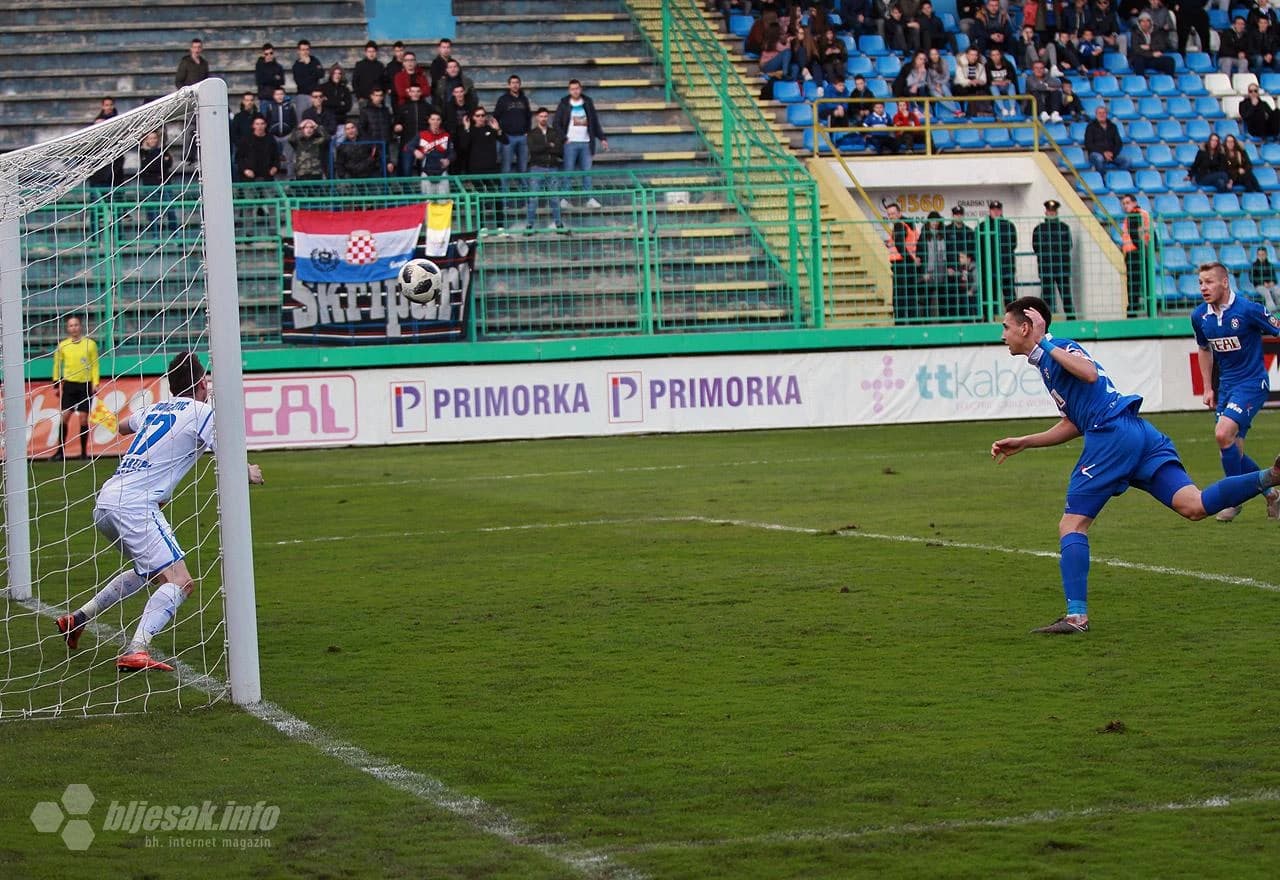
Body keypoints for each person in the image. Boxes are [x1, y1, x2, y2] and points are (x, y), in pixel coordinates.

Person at [992, 296, 1280, 634]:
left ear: (1026, 327)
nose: (1003, 334)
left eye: (1007, 327)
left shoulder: (1059, 347)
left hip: (1112, 436)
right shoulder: (1047, 361)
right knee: (1195, 505)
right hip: (1137, 433)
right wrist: (1025, 442)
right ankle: (1270, 477)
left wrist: (1045, 339)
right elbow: (1074, 421)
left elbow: (1087, 374)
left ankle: (1076, 617)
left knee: (1071, 526)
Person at [54, 353, 265, 671]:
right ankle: (136, 649)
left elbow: (122, 426)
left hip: (107, 501)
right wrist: (249, 470)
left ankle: (78, 619)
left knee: (149, 573)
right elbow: (225, 454)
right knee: (180, 582)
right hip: (136, 505)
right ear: (202, 382)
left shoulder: (155, 409)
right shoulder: (202, 411)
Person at [1192, 262, 1280, 523]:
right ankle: (1271, 492)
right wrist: (1208, 387)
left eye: (1209, 282)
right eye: (1200, 283)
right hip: (1226, 388)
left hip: (1252, 384)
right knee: (1232, 452)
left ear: (1224, 283)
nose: (1203, 288)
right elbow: (1204, 349)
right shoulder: (1200, 316)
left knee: (1222, 433)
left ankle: (1232, 501)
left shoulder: (1249, 310)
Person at [554, 79, 609, 210]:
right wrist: (564, 138)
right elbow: (556, 123)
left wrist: (602, 138)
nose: (575, 91)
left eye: (577, 88)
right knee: (568, 172)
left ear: (581, 89)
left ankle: (588, 198)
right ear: (569, 90)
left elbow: (594, 122)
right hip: (570, 144)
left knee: (587, 172)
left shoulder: (588, 102)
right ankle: (565, 199)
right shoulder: (564, 103)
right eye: (572, 89)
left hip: (586, 143)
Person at [50, 315, 99, 461]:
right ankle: (60, 452)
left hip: (85, 385)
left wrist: (95, 383)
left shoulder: (90, 344)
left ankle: (83, 453)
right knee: (65, 416)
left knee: (84, 419)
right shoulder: (62, 345)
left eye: (76, 325)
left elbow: (95, 364)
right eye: (71, 325)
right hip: (69, 385)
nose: (74, 328)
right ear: (67, 328)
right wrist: (56, 384)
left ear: (80, 326)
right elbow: (57, 365)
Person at [457, 106, 509, 229]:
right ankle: (482, 228)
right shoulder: (469, 130)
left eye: (483, 115)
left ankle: (500, 227)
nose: (481, 118)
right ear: (473, 118)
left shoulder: (490, 129)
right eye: (478, 115)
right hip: (476, 170)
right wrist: (466, 128)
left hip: (491, 169)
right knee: (479, 199)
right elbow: (463, 146)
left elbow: (505, 141)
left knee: (496, 197)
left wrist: (498, 129)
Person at [1032, 199, 1074, 318]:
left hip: (1062, 267)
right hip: (1046, 268)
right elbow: (1036, 247)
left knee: (1066, 295)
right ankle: (1047, 321)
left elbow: (1068, 245)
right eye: (1049, 211)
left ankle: (1071, 318)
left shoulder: (1064, 228)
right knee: (1047, 297)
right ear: (1046, 212)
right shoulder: (1039, 229)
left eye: (1053, 211)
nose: (1051, 213)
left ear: (1056, 212)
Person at [526, 106, 565, 231]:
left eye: (545, 116)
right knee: (533, 198)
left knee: (554, 198)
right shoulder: (532, 133)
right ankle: (529, 225)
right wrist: (548, 145)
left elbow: (558, 150)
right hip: (537, 168)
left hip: (552, 167)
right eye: (541, 116)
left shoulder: (554, 132)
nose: (543, 118)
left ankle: (558, 224)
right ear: (537, 117)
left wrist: (544, 147)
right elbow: (533, 150)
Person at [885, 202, 920, 321]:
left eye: (893, 214)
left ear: (899, 213)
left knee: (899, 297)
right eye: (889, 214)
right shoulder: (909, 224)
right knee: (910, 295)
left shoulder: (899, 225)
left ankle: (899, 323)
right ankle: (913, 322)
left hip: (902, 264)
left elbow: (900, 245)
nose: (891, 217)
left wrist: (911, 260)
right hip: (909, 264)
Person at [977, 199, 1017, 301]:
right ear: (989, 211)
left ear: (1001, 211)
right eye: (993, 209)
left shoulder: (1009, 226)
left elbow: (1013, 244)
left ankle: (1013, 316)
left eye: (998, 209)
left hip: (1006, 267)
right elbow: (978, 247)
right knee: (990, 296)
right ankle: (989, 317)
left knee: (1010, 297)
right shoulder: (982, 226)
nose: (996, 212)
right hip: (989, 268)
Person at [392, 83, 433, 176]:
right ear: (409, 93)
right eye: (413, 91)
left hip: (424, 144)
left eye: (417, 91)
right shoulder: (402, 107)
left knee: (425, 172)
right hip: (407, 143)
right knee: (406, 171)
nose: (415, 93)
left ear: (421, 93)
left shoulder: (427, 107)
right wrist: (396, 128)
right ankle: (406, 190)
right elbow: (395, 125)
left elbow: (436, 121)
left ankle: (424, 190)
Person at [1120, 193, 1151, 316]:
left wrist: (1140, 248)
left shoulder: (1133, 215)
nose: (1125, 206)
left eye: (1127, 203)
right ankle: (1149, 311)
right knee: (1144, 283)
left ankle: (1132, 313)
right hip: (1143, 253)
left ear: (1134, 202)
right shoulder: (1144, 214)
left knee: (1133, 285)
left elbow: (1134, 235)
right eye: (1123, 204)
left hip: (1134, 254)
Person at [260, 86, 297, 178]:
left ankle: (290, 180)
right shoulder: (270, 107)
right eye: (277, 94)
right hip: (274, 136)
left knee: (289, 159)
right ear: (273, 96)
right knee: (273, 159)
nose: (279, 96)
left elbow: (294, 121)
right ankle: (273, 181)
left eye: (281, 94)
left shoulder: (290, 106)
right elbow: (267, 121)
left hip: (287, 136)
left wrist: (292, 133)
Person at [358, 87, 396, 176]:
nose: (378, 97)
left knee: (386, 172)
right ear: (371, 96)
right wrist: (369, 142)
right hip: (371, 146)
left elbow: (389, 126)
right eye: (376, 95)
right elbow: (361, 128)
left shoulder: (386, 111)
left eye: (380, 95)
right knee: (371, 171)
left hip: (385, 145)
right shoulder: (365, 110)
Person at [414, 111, 454, 195]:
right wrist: (415, 151)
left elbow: (452, 152)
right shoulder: (422, 135)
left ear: (441, 121)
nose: (435, 122)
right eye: (433, 119)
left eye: (438, 119)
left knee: (444, 202)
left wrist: (448, 160)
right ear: (429, 121)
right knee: (428, 203)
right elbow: (407, 147)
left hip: (442, 172)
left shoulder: (446, 135)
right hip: (426, 172)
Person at [1084, 104, 1129, 174]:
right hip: (1097, 153)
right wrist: (1103, 153)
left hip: (1111, 154)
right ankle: (1103, 179)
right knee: (1099, 159)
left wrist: (1112, 153)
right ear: (1096, 115)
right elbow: (1088, 144)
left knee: (1127, 160)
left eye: (1103, 113)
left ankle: (1117, 178)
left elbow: (1118, 143)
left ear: (1106, 114)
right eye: (1099, 113)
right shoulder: (1090, 127)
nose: (1102, 115)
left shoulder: (1113, 126)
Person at [235, 116, 279, 182]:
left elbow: (276, 156)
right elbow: (239, 157)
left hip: (267, 176)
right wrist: (245, 170)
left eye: (262, 124)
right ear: (253, 126)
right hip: (249, 176)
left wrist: (275, 167)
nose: (260, 126)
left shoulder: (270, 139)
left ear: (265, 125)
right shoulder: (246, 139)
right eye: (257, 124)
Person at [953, 46, 989, 116]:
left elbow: (984, 79)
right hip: (962, 86)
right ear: (967, 55)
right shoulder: (960, 64)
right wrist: (970, 82)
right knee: (970, 92)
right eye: (972, 55)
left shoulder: (980, 65)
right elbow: (960, 79)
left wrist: (979, 81)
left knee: (984, 89)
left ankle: (985, 112)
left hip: (975, 86)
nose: (974, 57)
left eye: (975, 55)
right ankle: (972, 114)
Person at [292, 39, 324, 116]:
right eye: (303, 50)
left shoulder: (315, 61)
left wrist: (309, 64)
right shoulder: (296, 65)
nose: (305, 52)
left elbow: (321, 74)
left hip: (315, 96)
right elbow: (301, 83)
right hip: (303, 95)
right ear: (298, 51)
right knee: (302, 120)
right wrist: (308, 68)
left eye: (307, 49)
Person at [352, 41, 386, 109]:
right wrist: (359, 97)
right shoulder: (360, 65)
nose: (371, 54)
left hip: (378, 99)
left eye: (373, 51)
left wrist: (381, 96)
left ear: (376, 52)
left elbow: (384, 82)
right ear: (366, 52)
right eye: (369, 51)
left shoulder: (380, 66)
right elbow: (355, 82)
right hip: (364, 99)